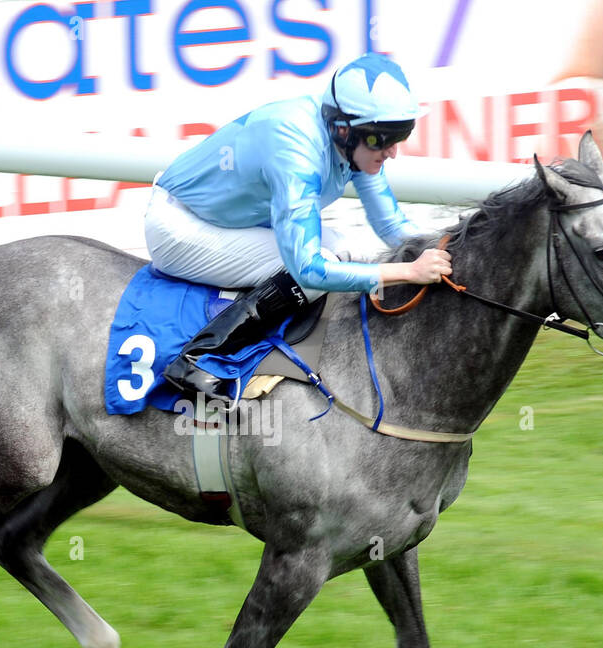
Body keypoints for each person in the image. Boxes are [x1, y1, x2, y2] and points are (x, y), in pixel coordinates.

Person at [144, 53, 453, 403]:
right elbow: (308, 269)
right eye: (380, 140)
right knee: (323, 262)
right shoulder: (296, 149)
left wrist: (444, 249)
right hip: (179, 229)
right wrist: (409, 270)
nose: (392, 152)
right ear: (342, 130)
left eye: (399, 136)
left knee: (355, 250)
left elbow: (392, 225)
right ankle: (196, 359)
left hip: (226, 222)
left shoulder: (353, 140)